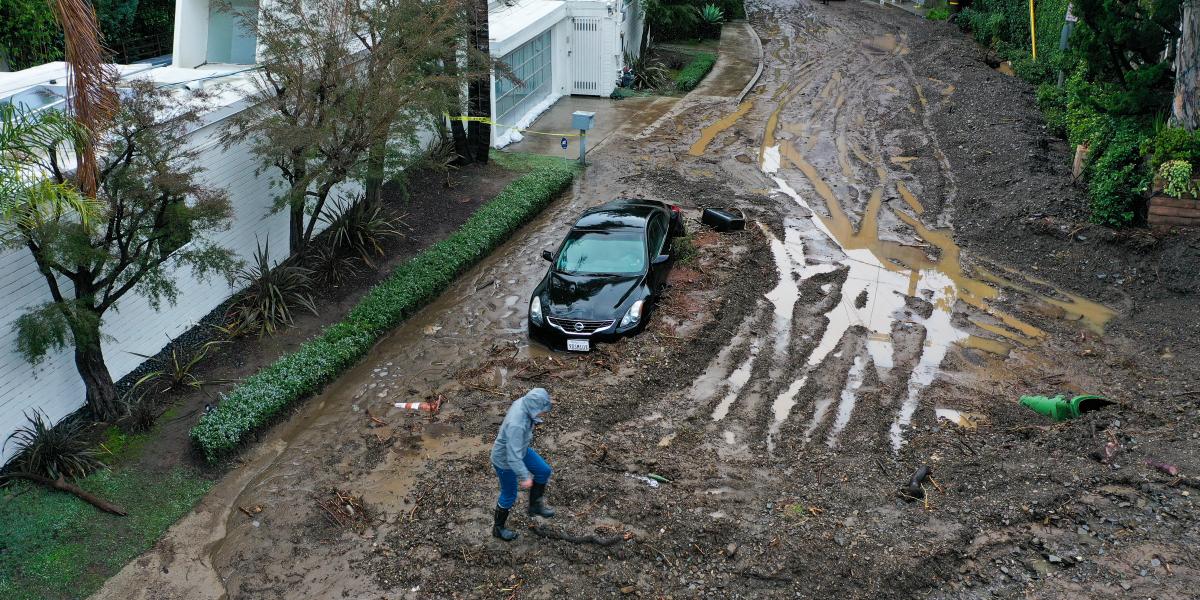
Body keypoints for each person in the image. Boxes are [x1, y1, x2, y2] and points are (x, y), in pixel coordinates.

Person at [490, 387, 556, 541]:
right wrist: (524, 476)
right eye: (542, 410)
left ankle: (535, 506)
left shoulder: (525, 402)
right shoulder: (517, 424)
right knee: (509, 494)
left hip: (520, 449)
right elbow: (512, 457)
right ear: (534, 408)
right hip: (505, 459)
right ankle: (498, 528)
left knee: (543, 471)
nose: (544, 413)